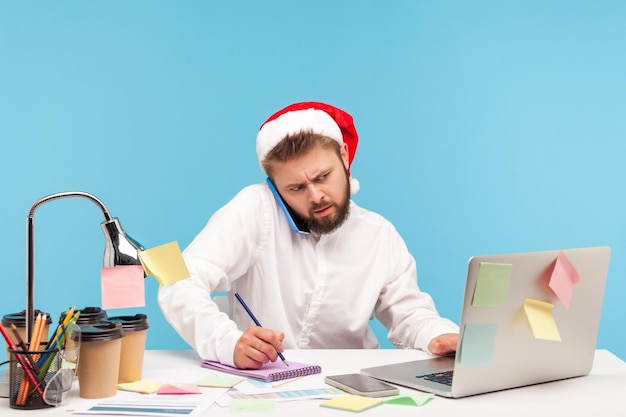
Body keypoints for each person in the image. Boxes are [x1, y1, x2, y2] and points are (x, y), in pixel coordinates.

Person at [158, 101, 459, 370]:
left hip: (355, 385)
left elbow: (410, 314)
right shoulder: (253, 207)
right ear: (274, 185)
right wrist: (226, 342)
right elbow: (177, 278)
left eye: (323, 177)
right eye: (296, 188)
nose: (316, 196)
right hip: (266, 385)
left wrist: (438, 335)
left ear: (344, 156)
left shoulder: (379, 234)